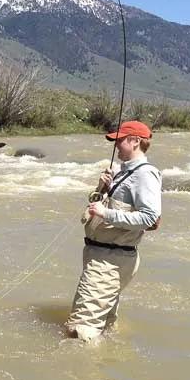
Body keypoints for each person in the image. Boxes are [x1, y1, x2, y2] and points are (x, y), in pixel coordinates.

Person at [65, 120, 162, 341]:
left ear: (135, 141)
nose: (116, 145)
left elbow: (150, 218)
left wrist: (105, 213)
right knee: (105, 326)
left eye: (120, 140)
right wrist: (103, 188)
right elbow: (96, 209)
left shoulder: (144, 175)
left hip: (110, 260)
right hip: (102, 256)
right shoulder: (125, 173)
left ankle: (82, 371)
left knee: (80, 331)